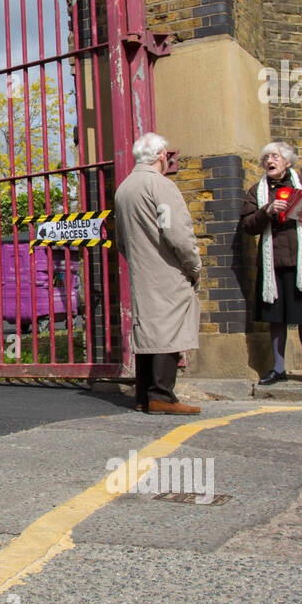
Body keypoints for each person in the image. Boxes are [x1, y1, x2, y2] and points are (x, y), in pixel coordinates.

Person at [112, 132, 202, 414]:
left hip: (140, 268)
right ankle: (162, 395)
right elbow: (177, 233)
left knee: (148, 329)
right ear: (162, 155)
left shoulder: (124, 189)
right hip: (167, 268)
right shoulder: (161, 186)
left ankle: (143, 395)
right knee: (168, 328)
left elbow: (121, 240)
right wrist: (193, 265)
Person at [239, 141, 302, 387]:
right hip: (273, 265)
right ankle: (279, 369)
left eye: (275, 156)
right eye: (266, 157)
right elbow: (247, 226)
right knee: (276, 320)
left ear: (287, 162)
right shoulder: (257, 190)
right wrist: (266, 210)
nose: (269, 161)